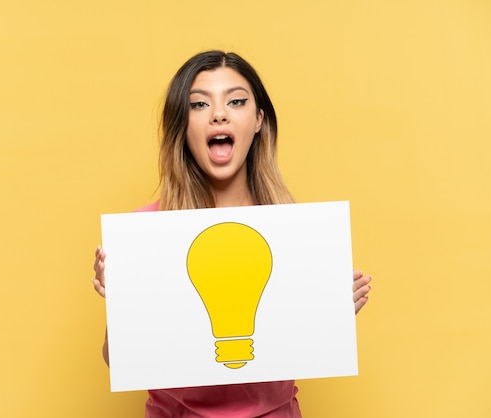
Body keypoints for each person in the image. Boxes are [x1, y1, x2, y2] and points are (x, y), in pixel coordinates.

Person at [91, 50, 372, 418]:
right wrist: (124, 305)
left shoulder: (294, 234)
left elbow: (293, 341)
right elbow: (118, 361)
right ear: (182, 125)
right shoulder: (146, 232)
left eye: (236, 101)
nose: (219, 114)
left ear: (258, 120)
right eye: (199, 105)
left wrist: (327, 314)